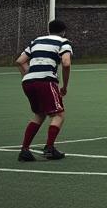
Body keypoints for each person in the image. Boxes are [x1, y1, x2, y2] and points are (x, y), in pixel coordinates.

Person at [15, 19, 72, 161]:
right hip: (46, 81)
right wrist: (64, 86)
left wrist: (29, 75)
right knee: (58, 115)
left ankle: (25, 150)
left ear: (49, 30)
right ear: (63, 31)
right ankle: (49, 148)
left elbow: (20, 61)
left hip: (28, 82)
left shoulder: (36, 41)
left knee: (39, 114)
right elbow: (66, 63)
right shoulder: (64, 42)